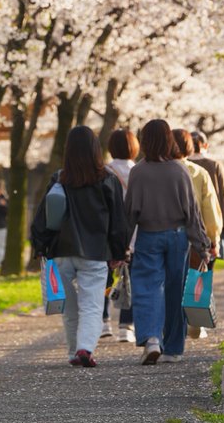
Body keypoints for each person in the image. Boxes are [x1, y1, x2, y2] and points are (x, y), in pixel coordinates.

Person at [31, 126, 128, 368]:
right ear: (96, 149)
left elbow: (43, 217)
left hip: (61, 251)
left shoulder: (59, 179)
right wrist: (118, 252)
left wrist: (40, 246)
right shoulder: (108, 180)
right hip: (95, 253)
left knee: (69, 308)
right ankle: (84, 348)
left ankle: (73, 351)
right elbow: (118, 222)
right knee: (92, 306)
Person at [124, 120, 211, 364]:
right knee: (175, 290)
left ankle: (152, 338)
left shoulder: (138, 172)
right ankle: (173, 348)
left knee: (148, 287)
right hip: (177, 236)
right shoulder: (179, 171)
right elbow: (192, 212)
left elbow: (129, 212)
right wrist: (202, 245)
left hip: (148, 235)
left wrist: (122, 244)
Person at [171, 128, 221, 340]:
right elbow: (210, 209)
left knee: (170, 283)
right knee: (193, 279)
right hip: (195, 236)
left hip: (166, 233)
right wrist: (213, 239)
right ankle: (194, 321)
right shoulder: (199, 173)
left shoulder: (157, 170)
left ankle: (172, 327)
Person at [104, 128, 139, 342]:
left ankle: (103, 321)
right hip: (134, 234)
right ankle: (126, 326)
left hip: (108, 234)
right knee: (131, 280)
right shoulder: (139, 171)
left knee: (105, 279)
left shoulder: (104, 171)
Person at [190, 130, 224, 252]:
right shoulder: (214, 165)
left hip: (186, 227)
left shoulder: (180, 165)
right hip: (211, 227)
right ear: (206, 145)